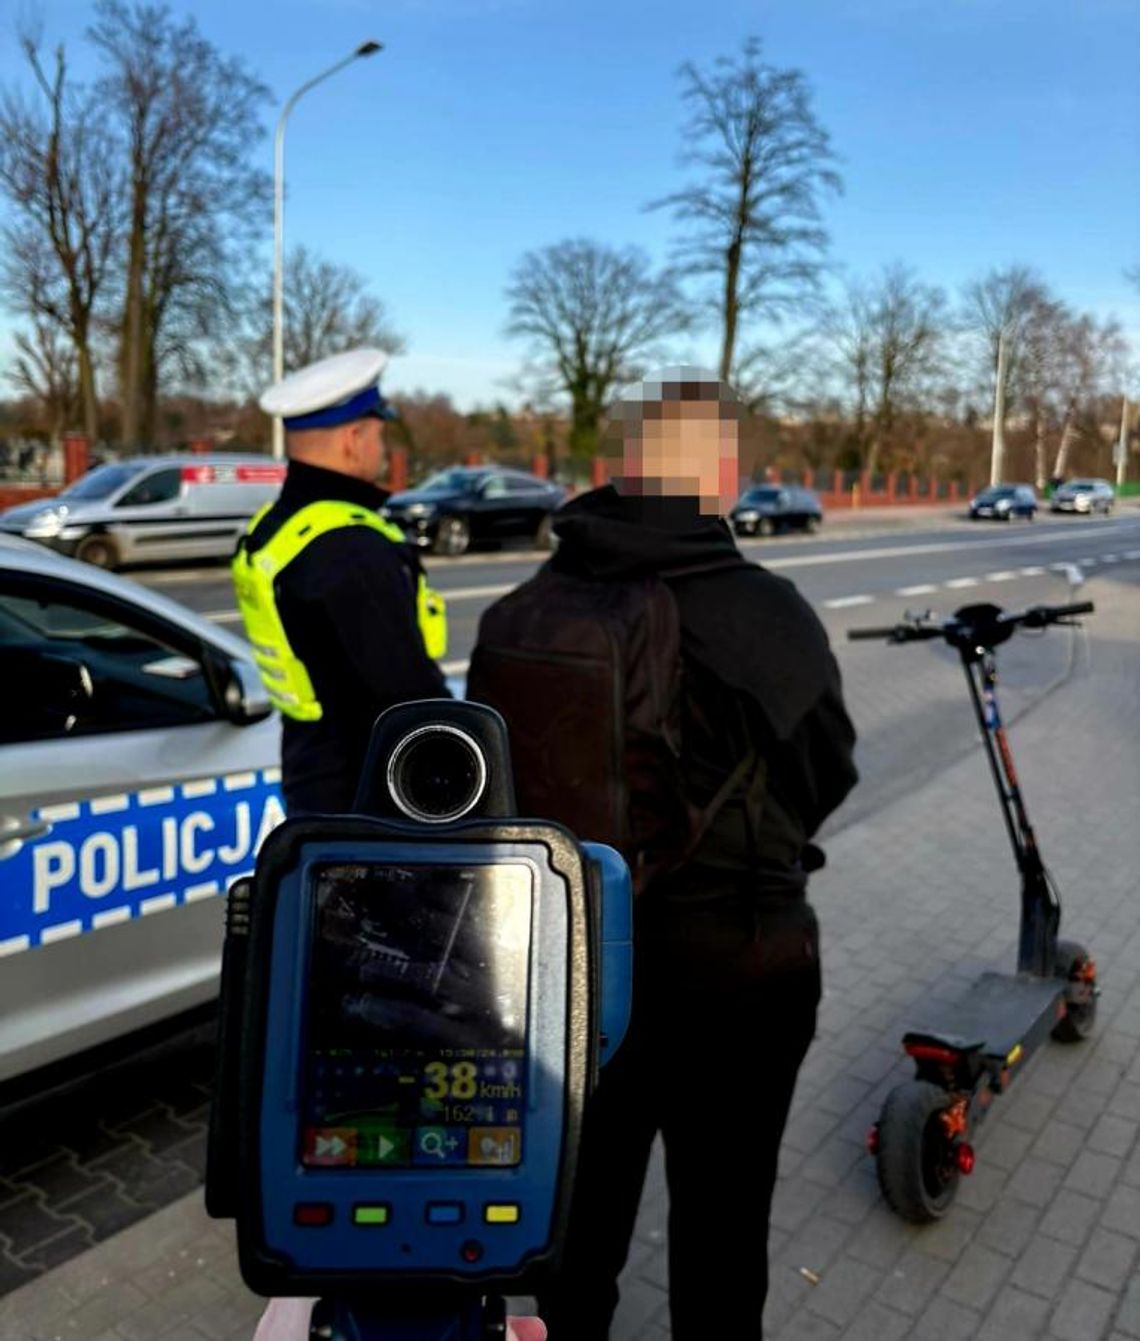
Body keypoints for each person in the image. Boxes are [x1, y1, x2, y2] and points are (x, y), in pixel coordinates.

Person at [468, 368, 858, 1340]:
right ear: (724, 474)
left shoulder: (519, 613)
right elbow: (830, 775)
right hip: (737, 976)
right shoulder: (767, 614)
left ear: (617, 469)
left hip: (570, 981)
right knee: (722, 1238)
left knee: (577, 1230)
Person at [233, 348, 449, 814]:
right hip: (373, 802)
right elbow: (410, 697)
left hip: (313, 776)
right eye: (378, 435)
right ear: (353, 439)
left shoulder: (278, 526)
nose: (382, 449)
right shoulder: (350, 548)